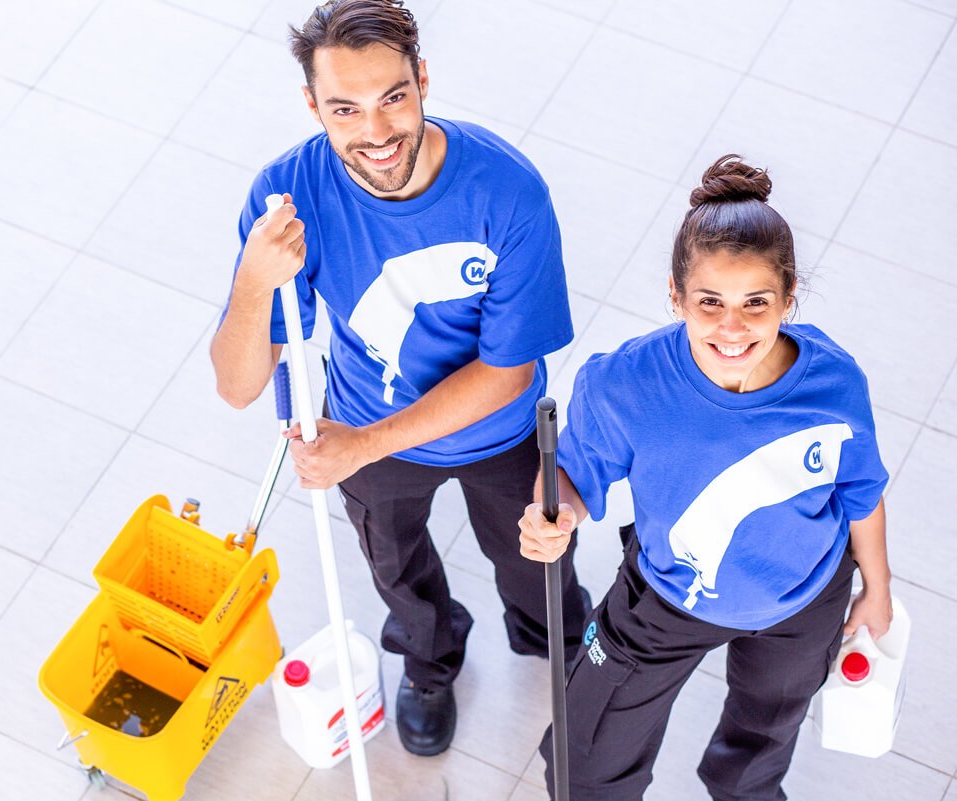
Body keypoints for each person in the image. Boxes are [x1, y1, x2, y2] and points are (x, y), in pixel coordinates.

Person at [211, 0, 591, 757]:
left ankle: (553, 637)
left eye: (393, 97)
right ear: (312, 106)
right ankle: (430, 658)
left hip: (497, 430)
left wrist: (362, 446)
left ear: (422, 78)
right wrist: (255, 281)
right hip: (365, 423)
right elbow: (237, 386)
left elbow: (507, 372)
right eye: (345, 109)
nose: (377, 132)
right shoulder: (287, 195)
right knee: (397, 571)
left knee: (535, 562)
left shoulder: (507, 191)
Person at [518, 155, 893, 801]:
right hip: (669, 591)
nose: (732, 327)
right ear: (676, 295)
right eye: (710, 302)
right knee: (585, 762)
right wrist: (556, 515)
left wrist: (877, 590)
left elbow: (861, 496)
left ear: (789, 297)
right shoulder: (624, 383)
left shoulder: (833, 385)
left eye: (756, 303)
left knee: (763, 743)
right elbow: (572, 478)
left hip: (802, 598)